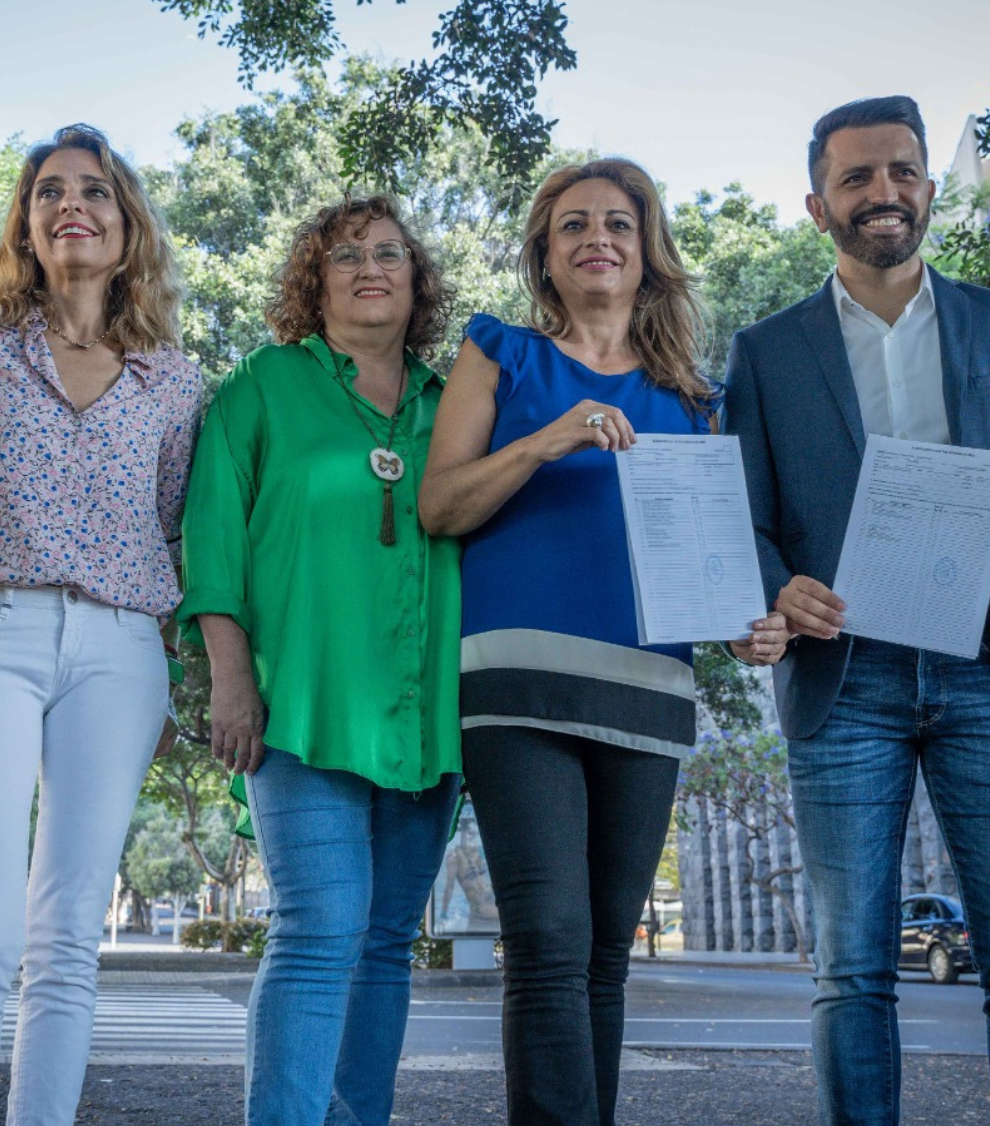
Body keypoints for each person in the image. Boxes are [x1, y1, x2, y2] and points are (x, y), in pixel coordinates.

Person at [722, 96, 990, 1126]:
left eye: (899, 171)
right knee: (849, 966)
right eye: (854, 178)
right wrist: (772, 582)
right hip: (842, 679)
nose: (880, 193)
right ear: (816, 206)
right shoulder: (763, 352)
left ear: (928, 190)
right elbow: (743, 519)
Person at [419, 157, 787, 1126]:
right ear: (544, 251)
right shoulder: (499, 354)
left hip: (645, 690)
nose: (597, 238)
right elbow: (438, 505)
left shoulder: (699, 400)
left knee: (603, 956)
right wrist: (547, 439)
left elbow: (713, 566)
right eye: (573, 223)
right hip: (514, 686)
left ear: (646, 251)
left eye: (617, 224)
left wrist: (749, 625)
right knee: (544, 939)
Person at [0, 124, 203, 1126]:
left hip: (120, 653)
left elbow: (170, 522)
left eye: (95, 193)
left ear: (126, 232)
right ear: (26, 226)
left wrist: (162, 669)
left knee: (68, 935)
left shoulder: (175, 376)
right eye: (49, 193)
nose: (71, 205)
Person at [178, 195, 463, 1126]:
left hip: (428, 711)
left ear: (419, 281)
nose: (369, 267)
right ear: (315, 279)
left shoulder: (454, 401)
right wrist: (231, 678)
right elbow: (211, 541)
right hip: (299, 702)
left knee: (384, 943)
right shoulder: (261, 384)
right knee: (318, 930)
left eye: (389, 252)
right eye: (345, 255)